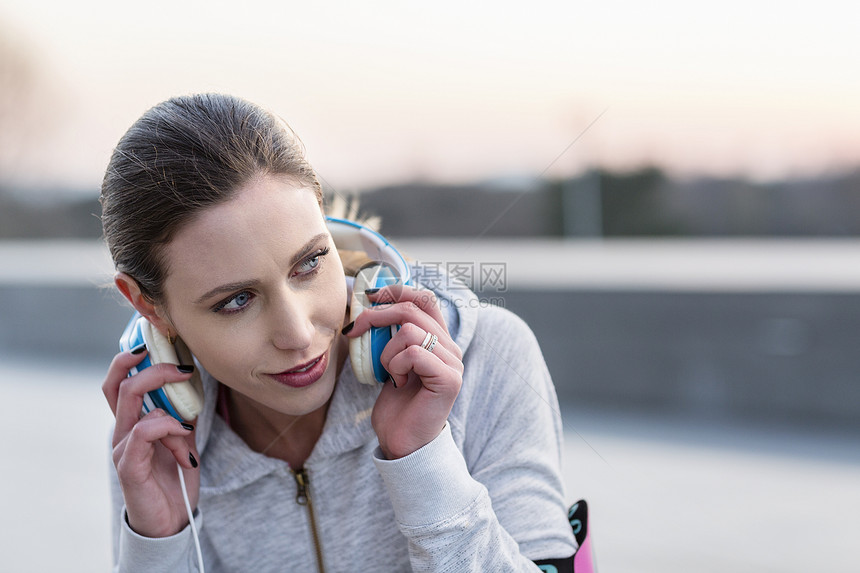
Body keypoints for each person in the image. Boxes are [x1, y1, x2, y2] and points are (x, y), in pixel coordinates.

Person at [100, 93, 579, 572]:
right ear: (147, 305)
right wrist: (160, 546)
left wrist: (425, 465)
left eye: (309, 263)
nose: (298, 333)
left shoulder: (488, 358)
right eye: (236, 300)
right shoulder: (156, 442)